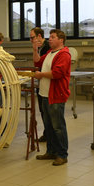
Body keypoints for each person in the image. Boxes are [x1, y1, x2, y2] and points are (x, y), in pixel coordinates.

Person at [33, 29, 71, 166]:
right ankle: (51, 151)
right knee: (48, 126)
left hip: (56, 95)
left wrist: (41, 75)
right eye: (49, 37)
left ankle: (62, 154)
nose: (49, 39)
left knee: (58, 126)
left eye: (53, 37)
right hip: (44, 94)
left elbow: (57, 73)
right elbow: (37, 63)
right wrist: (35, 49)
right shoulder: (49, 53)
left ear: (61, 40)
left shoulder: (64, 54)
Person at [30, 27, 50, 142]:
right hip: (41, 81)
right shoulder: (40, 48)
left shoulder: (47, 48)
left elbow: (39, 62)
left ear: (39, 36)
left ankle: (49, 134)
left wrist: (35, 50)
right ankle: (47, 134)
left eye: (32, 37)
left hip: (46, 81)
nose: (31, 40)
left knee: (47, 111)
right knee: (43, 110)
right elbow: (36, 62)